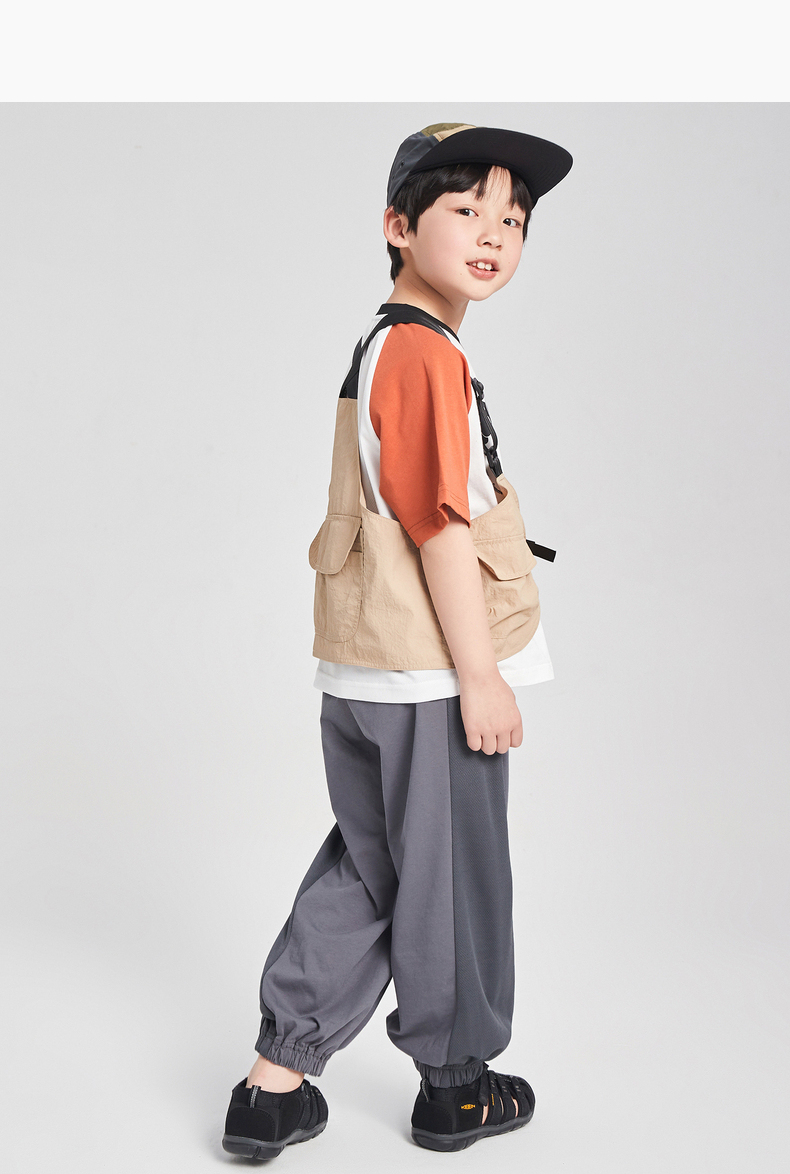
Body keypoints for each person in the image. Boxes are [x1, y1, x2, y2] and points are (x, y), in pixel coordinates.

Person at [222, 122, 573, 1159]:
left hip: (367, 671)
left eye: (513, 219)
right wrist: (481, 677)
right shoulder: (421, 352)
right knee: (452, 876)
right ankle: (455, 1087)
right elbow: (438, 525)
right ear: (397, 225)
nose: (494, 234)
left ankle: (274, 1083)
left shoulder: (384, 344)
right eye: (466, 209)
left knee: (372, 870)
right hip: (429, 677)